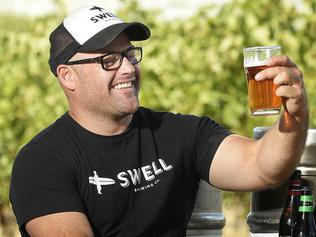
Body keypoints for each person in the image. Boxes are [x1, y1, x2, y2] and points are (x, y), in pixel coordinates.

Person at [9, 5, 308, 237]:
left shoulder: (179, 132)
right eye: (109, 60)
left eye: (129, 54)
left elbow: (262, 167)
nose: (128, 68)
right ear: (67, 76)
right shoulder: (41, 162)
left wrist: (294, 117)